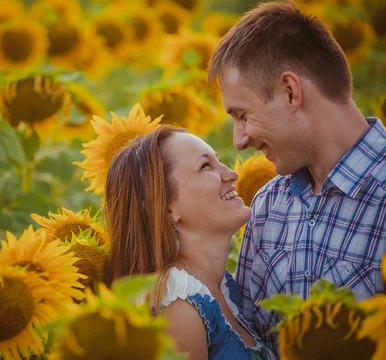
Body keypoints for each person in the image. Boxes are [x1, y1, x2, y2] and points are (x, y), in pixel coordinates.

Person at [207, 0, 386, 356]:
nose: (239, 139)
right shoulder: (268, 204)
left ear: (291, 92)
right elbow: (255, 348)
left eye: (243, 115)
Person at [105, 125, 277, 360]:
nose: (231, 173)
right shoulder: (178, 305)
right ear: (166, 208)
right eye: (206, 166)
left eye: (217, 161)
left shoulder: (224, 287)